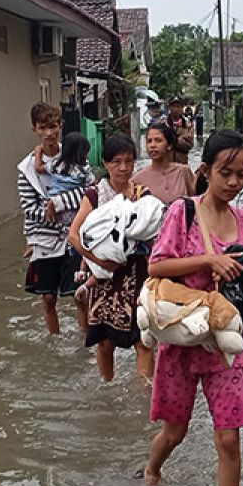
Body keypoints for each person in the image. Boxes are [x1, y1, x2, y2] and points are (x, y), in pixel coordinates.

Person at [142, 130, 243, 486]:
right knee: (174, 432)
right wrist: (208, 262)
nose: (233, 183)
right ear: (206, 170)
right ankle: (151, 469)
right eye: (226, 173)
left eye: (242, 175)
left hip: (225, 345)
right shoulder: (184, 212)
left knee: (229, 440)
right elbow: (156, 266)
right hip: (180, 341)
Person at [69, 135, 157, 383]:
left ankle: (143, 396)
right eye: (116, 162)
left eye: (128, 161)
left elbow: (154, 231)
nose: (123, 168)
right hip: (105, 278)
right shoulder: (95, 195)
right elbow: (74, 236)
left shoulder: (142, 194)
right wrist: (97, 260)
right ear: (106, 164)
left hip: (138, 273)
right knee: (105, 342)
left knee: (143, 339)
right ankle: (107, 385)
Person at [18, 102, 84, 335]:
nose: (49, 133)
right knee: (47, 297)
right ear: (34, 129)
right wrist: (48, 213)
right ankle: (54, 339)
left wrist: (58, 204)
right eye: (43, 127)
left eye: (53, 126)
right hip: (44, 237)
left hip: (73, 234)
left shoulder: (74, 156)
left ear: (60, 126)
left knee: (79, 293)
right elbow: (28, 207)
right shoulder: (26, 169)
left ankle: (86, 341)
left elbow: (88, 192)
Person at [132, 122, 195, 206]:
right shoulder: (137, 178)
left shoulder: (183, 172)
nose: (153, 145)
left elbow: (196, 201)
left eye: (158, 140)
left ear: (169, 145)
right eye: (149, 141)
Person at [40, 132, 94, 225]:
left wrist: (38, 152)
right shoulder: (83, 169)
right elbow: (91, 184)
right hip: (73, 208)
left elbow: (38, 168)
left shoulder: (56, 164)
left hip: (54, 207)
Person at [167, 97, 195, 164]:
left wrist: (175, 141)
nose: (176, 109)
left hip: (182, 163)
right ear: (169, 108)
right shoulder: (163, 124)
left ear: (182, 108)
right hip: (166, 164)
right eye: (173, 106)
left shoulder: (188, 124)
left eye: (178, 106)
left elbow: (189, 145)